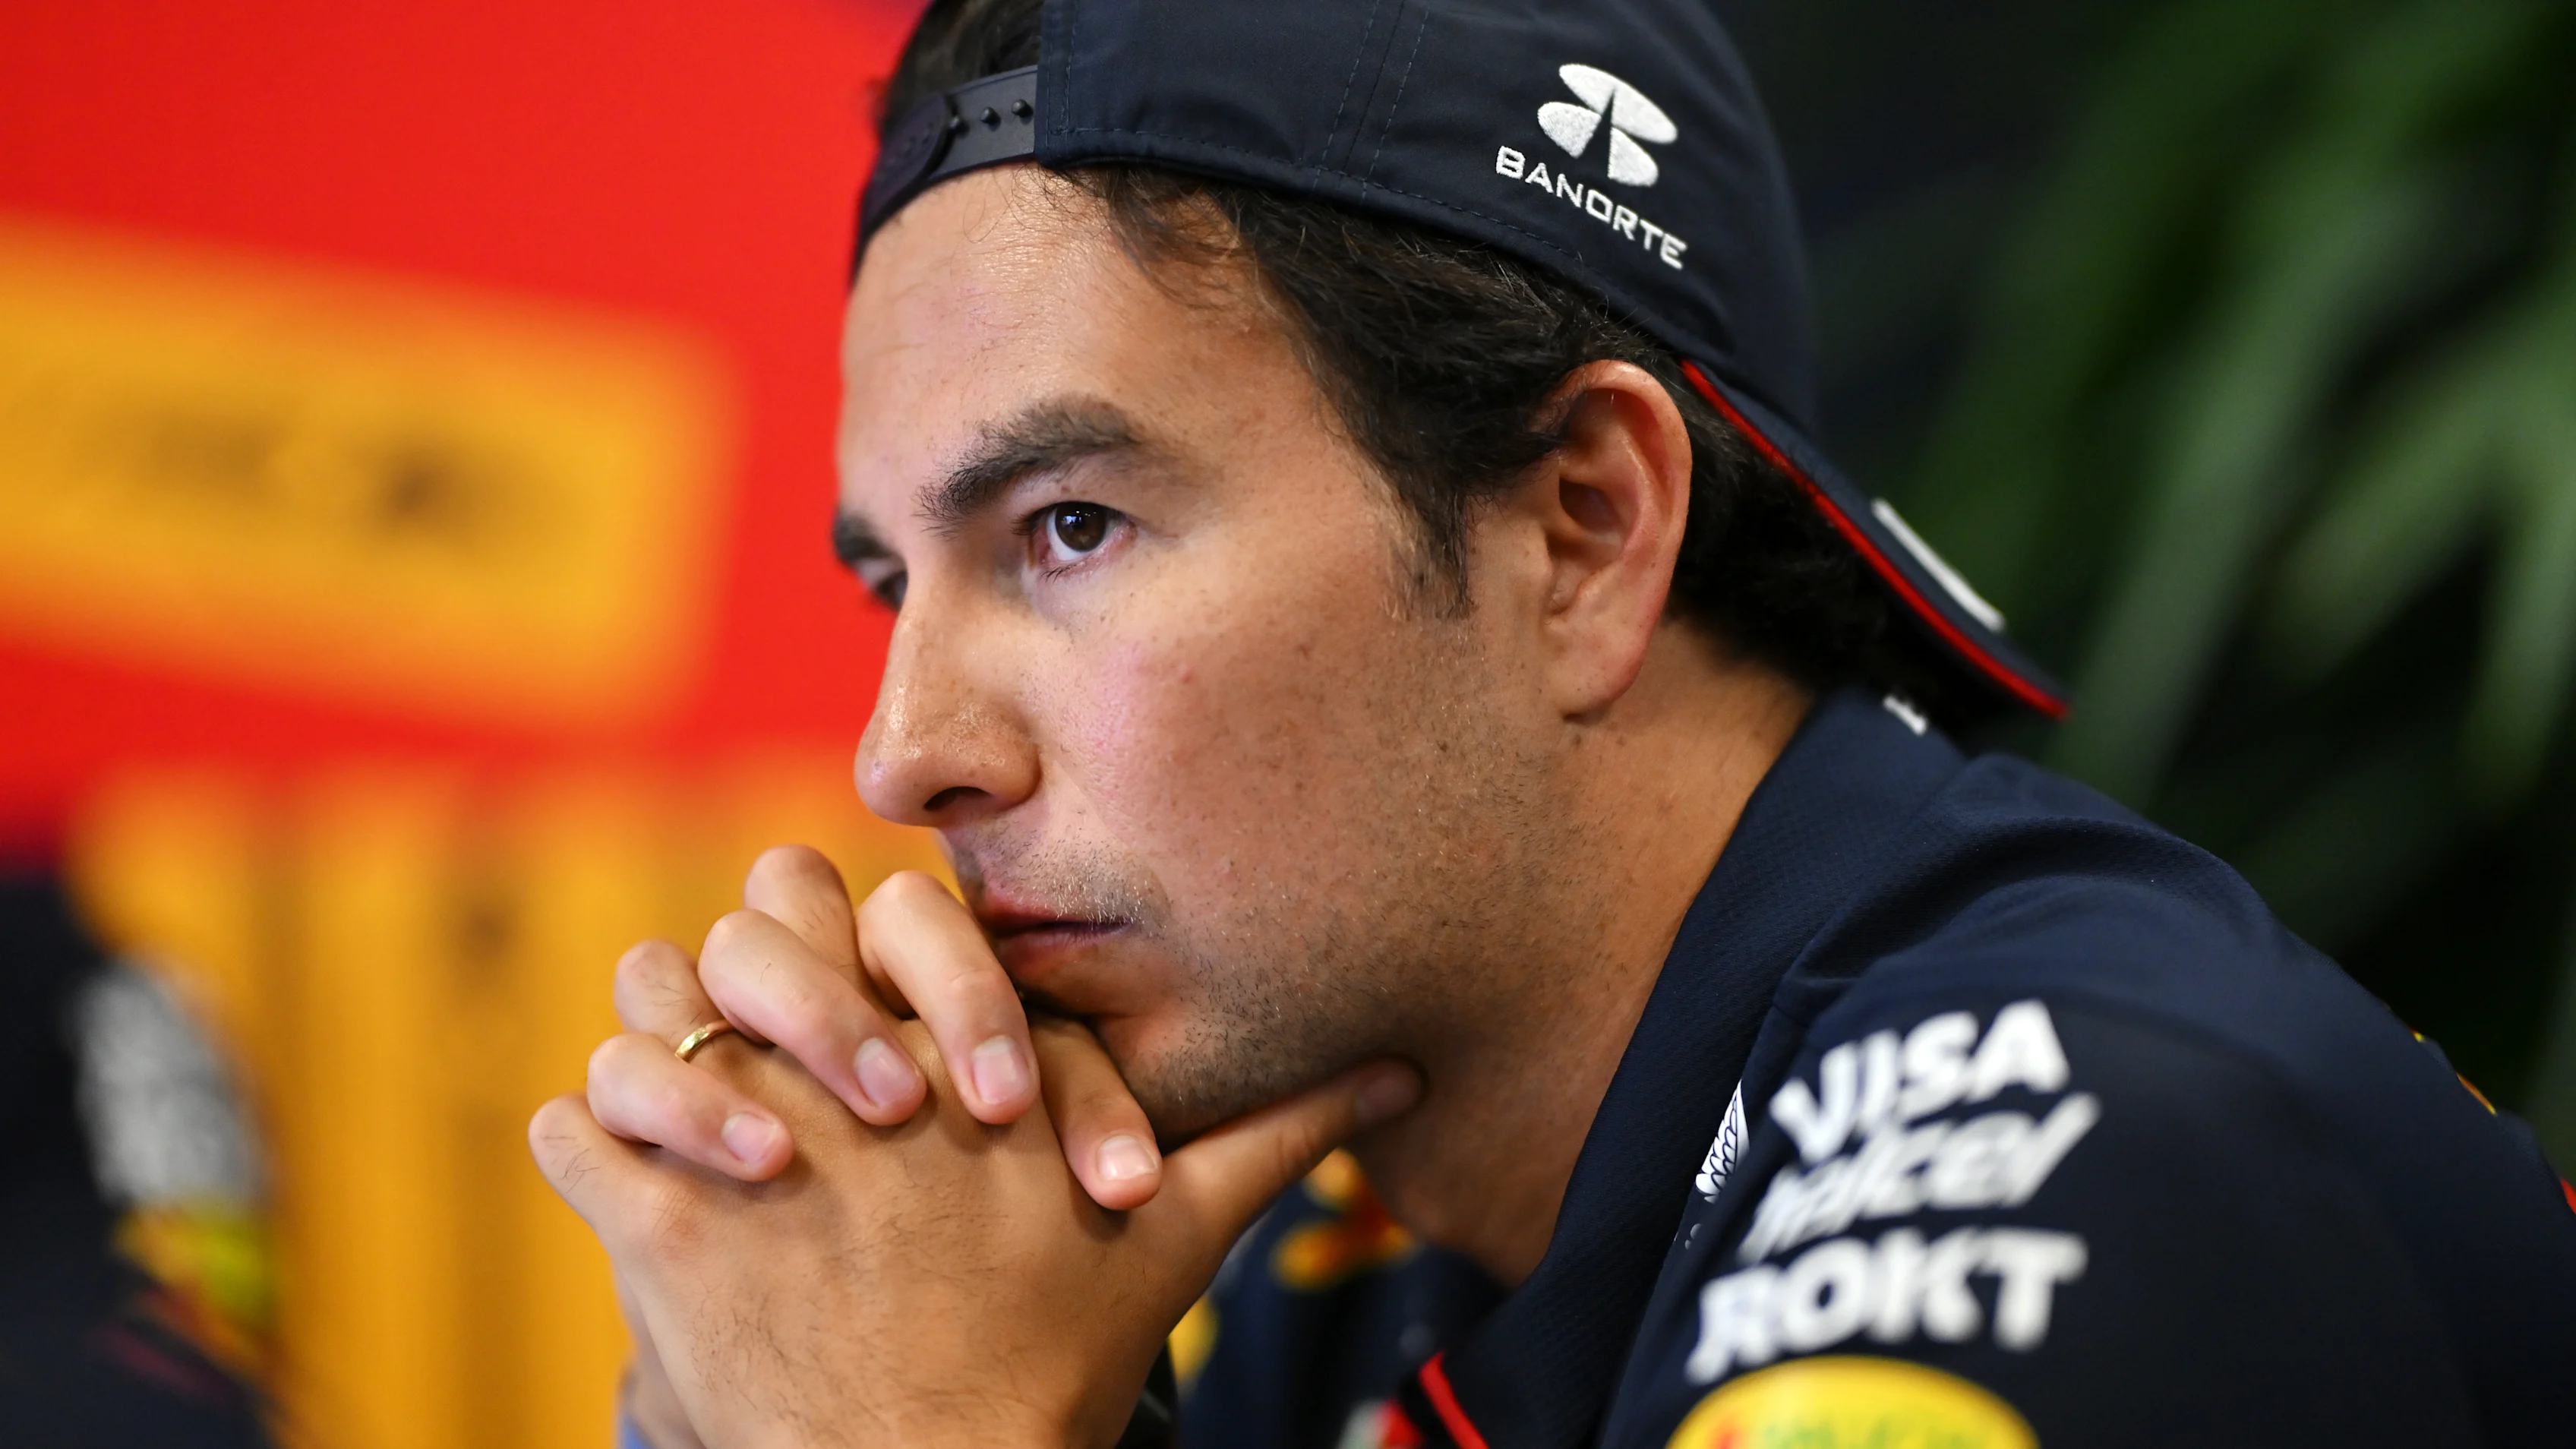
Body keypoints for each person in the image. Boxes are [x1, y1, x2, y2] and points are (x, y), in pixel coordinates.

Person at [529, 1, 2576, 1444]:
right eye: (892, 581)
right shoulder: (1331, 1235)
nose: (904, 753)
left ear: (1584, 532)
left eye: (1069, 527)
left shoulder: (2072, 1158)